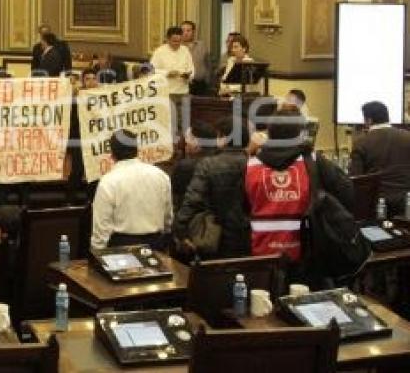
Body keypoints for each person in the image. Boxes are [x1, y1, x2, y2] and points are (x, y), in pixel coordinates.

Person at [246, 109, 352, 284]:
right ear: (300, 135)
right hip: (307, 250)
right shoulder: (312, 160)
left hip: (260, 253)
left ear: (269, 134)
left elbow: (241, 205)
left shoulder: (251, 164)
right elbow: (347, 191)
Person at [174, 116, 251, 259]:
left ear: (223, 138)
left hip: (215, 233)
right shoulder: (252, 163)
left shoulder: (208, 164)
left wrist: (180, 229)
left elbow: (193, 200)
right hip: (247, 233)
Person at [91, 129, 172, 251]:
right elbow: (168, 219)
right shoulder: (161, 176)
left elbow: (101, 229)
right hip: (156, 246)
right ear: (137, 150)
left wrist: (97, 254)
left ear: (112, 154)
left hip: (121, 250)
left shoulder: (108, 182)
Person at [350, 101, 410, 215]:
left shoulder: (361, 142)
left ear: (368, 120)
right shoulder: (407, 137)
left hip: (377, 206)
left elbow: (357, 180)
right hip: (406, 203)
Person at [170, 121, 216, 212]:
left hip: (190, 218)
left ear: (197, 143)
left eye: (186, 142)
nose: (184, 146)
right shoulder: (222, 162)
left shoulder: (185, 167)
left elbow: (176, 198)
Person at [67, 69, 98, 204]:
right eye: (87, 79)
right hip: (79, 139)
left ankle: (91, 200)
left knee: (94, 170)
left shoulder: (102, 96)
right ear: (83, 81)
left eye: (93, 78)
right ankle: (70, 201)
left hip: (95, 139)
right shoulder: (76, 98)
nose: (91, 82)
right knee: (77, 170)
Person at [150, 26, 194, 94]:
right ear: (168, 39)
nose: (177, 43)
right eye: (174, 41)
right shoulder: (159, 51)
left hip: (183, 91)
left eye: (179, 41)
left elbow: (191, 69)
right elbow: (151, 70)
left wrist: (188, 76)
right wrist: (167, 73)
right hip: (165, 92)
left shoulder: (185, 50)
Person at [181, 21, 210, 95]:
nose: (185, 33)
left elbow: (207, 64)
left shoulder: (201, 45)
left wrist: (207, 80)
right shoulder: (178, 47)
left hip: (200, 84)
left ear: (193, 32)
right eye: (183, 30)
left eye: (188, 30)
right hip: (183, 83)